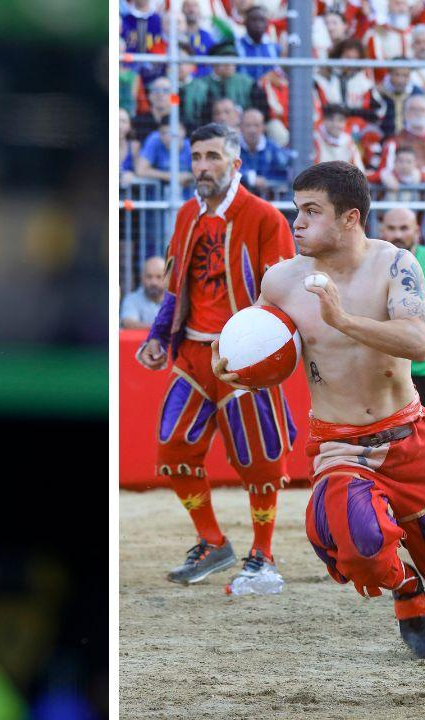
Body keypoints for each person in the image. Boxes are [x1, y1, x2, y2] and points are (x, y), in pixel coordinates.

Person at [215, 161, 425, 698]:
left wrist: (343, 319)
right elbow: (258, 346)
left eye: (309, 212)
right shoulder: (280, 279)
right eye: (295, 210)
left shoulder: (398, 266)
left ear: (350, 218)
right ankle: (404, 584)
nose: (295, 223)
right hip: (338, 443)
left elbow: (419, 343)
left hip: (409, 436)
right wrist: (231, 365)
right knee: (357, 544)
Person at [136, 123, 296, 594]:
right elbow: (173, 284)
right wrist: (158, 337)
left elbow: (282, 292)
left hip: (246, 357)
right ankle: (212, 541)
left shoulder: (264, 217)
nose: (202, 167)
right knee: (173, 446)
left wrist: (274, 350)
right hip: (192, 351)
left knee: (260, 458)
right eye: (197, 157)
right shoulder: (187, 214)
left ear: (235, 163)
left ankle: (263, 555)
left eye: (212, 157)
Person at [381, 207, 425, 410]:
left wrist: (386, 325)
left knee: (416, 436)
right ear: (381, 230)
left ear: (417, 231)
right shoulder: (367, 260)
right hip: (379, 364)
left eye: (404, 228)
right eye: (392, 228)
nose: (397, 234)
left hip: (421, 364)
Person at [180, 42, 255, 131]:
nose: (229, 65)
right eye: (225, 62)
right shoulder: (200, 85)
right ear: (214, 64)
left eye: (232, 61)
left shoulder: (247, 83)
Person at [238, 108, 291, 190]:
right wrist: (250, 177)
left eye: (256, 125)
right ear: (240, 127)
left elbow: (285, 174)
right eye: (248, 125)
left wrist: (267, 182)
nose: (252, 130)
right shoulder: (234, 148)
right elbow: (228, 170)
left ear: (263, 127)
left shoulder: (273, 148)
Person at [235, 4, 281, 80]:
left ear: (267, 23)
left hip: (267, 89)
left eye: (262, 20)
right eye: (254, 20)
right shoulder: (236, 46)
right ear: (245, 23)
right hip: (246, 90)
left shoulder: (274, 47)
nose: (258, 24)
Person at [121, 256, 168, 328]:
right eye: (149, 276)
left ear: (167, 278)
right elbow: (128, 323)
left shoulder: (175, 301)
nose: (154, 282)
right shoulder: (132, 300)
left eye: (159, 277)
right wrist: (160, 330)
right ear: (142, 278)